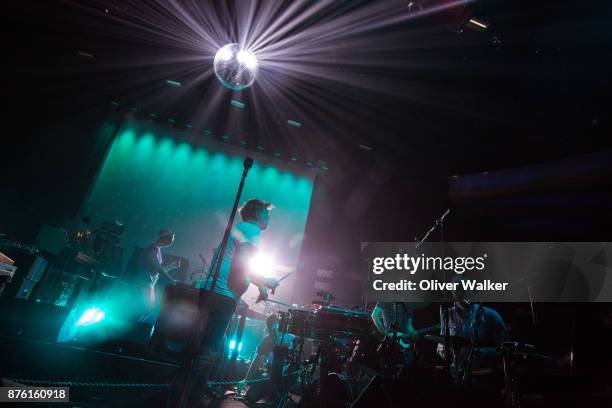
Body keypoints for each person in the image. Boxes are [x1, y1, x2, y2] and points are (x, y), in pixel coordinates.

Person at [186, 199, 279, 407]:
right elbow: (242, 264)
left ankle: (186, 395)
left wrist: (259, 286)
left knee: (199, 346)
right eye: (266, 213)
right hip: (222, 295)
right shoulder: (252, 230)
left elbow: (238, 264)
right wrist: (266, 280)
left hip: (211, 291)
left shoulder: (240, 228)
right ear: (256, 214)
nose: (269, 218)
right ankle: (190, 400)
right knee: (208, 350)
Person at [437, 278, 508, 377]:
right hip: (456, 374)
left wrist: (483, 352)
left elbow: (506, 349)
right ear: (452, 293)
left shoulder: (491, 315)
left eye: (465, 289)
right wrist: (443, 351)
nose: (461, 293)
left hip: (483, 374)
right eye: (457, 290)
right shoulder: (447, 314)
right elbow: (441, 343)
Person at [134, 229, 180, 322]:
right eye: (171, 241)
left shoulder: (157, 249)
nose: (171, 244)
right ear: (165, 238)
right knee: (148, 309)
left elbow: (156, 270)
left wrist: (172, 266)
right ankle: (134, 326)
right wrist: (172, 280)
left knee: (147, 310)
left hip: (148, 282)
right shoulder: (152, 248)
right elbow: (157, 268)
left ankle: (136, 325)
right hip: (144, 281)